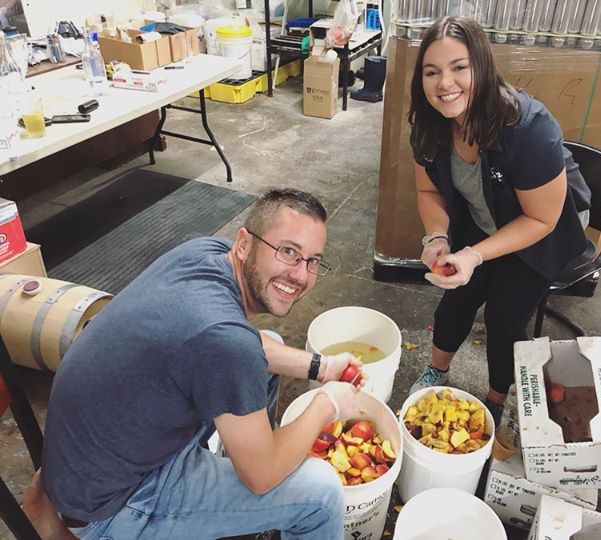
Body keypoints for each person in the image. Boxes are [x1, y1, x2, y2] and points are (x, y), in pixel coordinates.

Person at [39, 188, 364, 539]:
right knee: (320, 492)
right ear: (244, 244)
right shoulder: (225, 341)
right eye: (288, 252)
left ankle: (250, 463)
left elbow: (231, 345)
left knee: (269, 355)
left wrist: (321, 366)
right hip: (115, 504)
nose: (301, 276)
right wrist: (326, 404)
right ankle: (256, 474)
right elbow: (261, 476)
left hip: (90, 459)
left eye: (313, 261)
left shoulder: (204, 253)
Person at [408, 16, 591, 419]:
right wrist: (437, 239)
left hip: (544, 228)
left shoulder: (529, 127)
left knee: (504, 317)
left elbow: (542, 219)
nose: (445, 84)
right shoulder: (428, 123)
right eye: (432, 72)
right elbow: (429, 190)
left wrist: (474, 255)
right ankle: (435, 371)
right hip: (486, 216)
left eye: (459, 68)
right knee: (456, 297)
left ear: (482, 67)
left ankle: (494, 402)